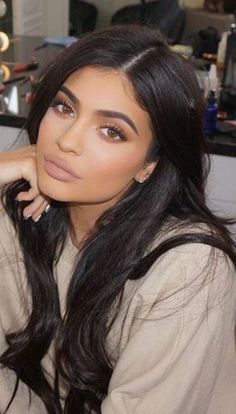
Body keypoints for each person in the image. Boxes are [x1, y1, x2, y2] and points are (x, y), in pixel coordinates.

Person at [0, 24, 236, 414]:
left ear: (149, 165)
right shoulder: (20, 211)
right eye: (65, 107)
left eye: (111, 131)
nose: (68, 141)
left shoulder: (189, 268)